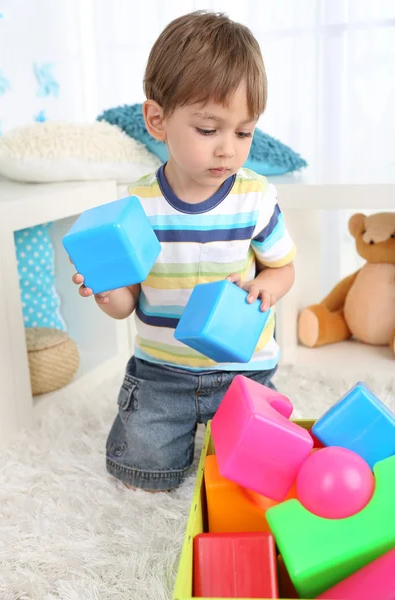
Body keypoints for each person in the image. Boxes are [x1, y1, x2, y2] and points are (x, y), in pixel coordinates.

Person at [72, 11, 295, 491]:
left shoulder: (256, 198)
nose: (228, 151)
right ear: (158, 120)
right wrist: (107, 292)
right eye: (209, 129)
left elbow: (283, 268)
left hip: (243, 369)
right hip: (161, 372)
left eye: (243, 132)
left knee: (260, 471)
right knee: (143, 473)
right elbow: (126, 301)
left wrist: (264, 287)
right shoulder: (138, 206)